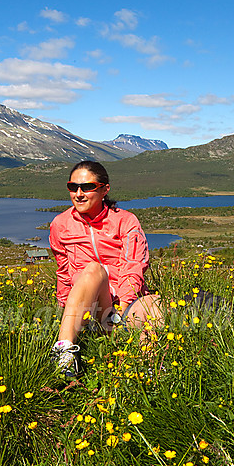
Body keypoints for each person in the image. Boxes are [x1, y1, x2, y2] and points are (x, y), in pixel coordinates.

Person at [48, 160, 161, 376]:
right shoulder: (61, 224)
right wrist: (65, 309)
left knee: (156, 302)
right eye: (73, 187)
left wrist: (120, 311)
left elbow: (133, 266)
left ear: (104, 189)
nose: (78, 194)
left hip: (122, 306)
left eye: (87, 187)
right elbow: (63, 270)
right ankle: (64, 353)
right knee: (93, 270)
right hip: (89, 306)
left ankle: (147, 368)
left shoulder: (125, 221)